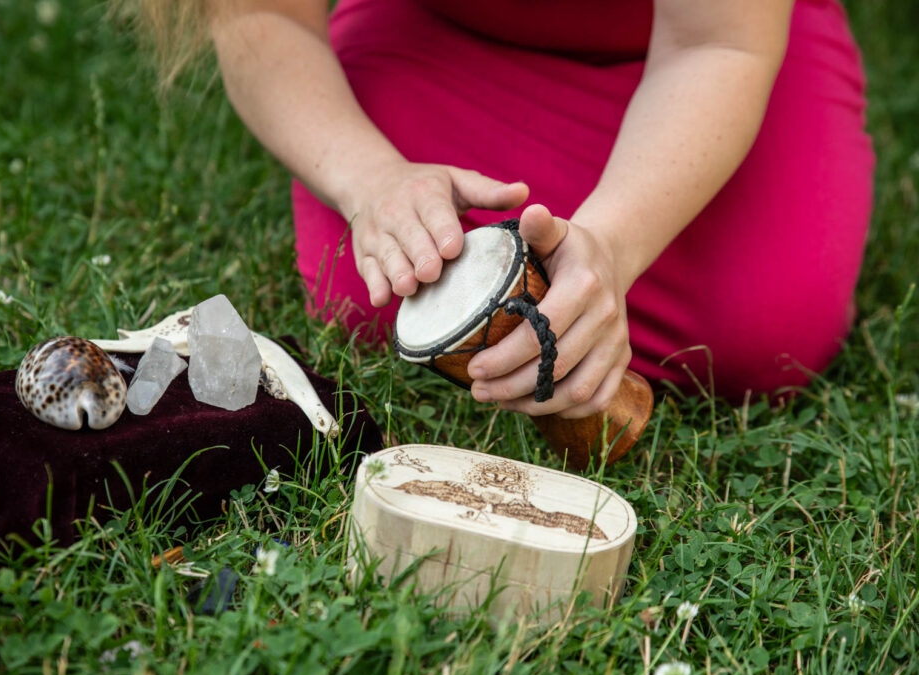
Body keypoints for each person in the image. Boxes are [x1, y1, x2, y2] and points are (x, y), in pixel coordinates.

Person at [140, 0, 873, 417]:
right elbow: (261, 16)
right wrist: (373, 181)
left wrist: (614, 243)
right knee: (379, 285)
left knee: (759, 327)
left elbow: (715, 44)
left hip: (710, 44)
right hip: (444, 30)